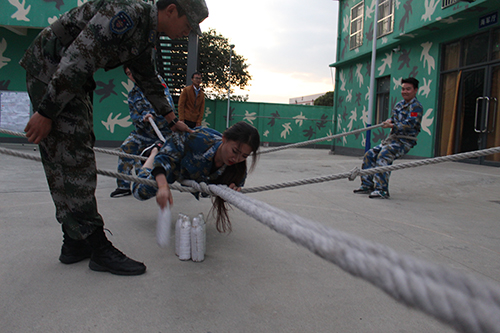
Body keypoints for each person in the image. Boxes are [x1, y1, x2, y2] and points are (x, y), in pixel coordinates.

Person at [20, 0, 208, 276]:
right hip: (53, 69)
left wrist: (171, 119)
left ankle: (74, 241)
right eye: (188, 25)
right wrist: (46, 111)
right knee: (75, 158)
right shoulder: (128, 15)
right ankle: (97, 247)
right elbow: (79, 58)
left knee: (73, 150)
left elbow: (147, 77)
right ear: (171, 10)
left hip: (70, 77)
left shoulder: (146, 34)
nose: (187, 31)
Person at [133, 121, 260, 232]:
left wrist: (232, 192)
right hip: (177, 165)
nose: (237, 158)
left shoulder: (238, 168)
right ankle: (153, 151)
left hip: (197, 176)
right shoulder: (195, 139)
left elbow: (237, 184)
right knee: (140, 192)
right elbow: (164, 159)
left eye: (244, 156)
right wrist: (162, 186)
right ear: (224, 139)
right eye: (235, 151)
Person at [110, 66, 175, 198]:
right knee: (126, 148)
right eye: (128, 74)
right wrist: (143, 118)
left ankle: (150, 184)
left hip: (162, 132)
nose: (131, 75)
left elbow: (168, 106)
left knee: (166, 157)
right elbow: (134, 117)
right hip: (144, 133)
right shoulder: (132, 95)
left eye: (132, 71)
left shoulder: (157, 84)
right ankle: (123, 186)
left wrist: (153, 114)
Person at [353, 77, 422, 199]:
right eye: (403, 89)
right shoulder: (399, 105)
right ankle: (367, 185)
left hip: (404, 141)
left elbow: (410, 124)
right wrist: (390, 120)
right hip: (392, 139)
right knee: (370, 154)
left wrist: (392, 125)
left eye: (408, 89)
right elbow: (394, 118)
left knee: (384, 155)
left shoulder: (416, 107)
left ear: (415, 90)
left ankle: (382, 190)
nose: (405, 91)